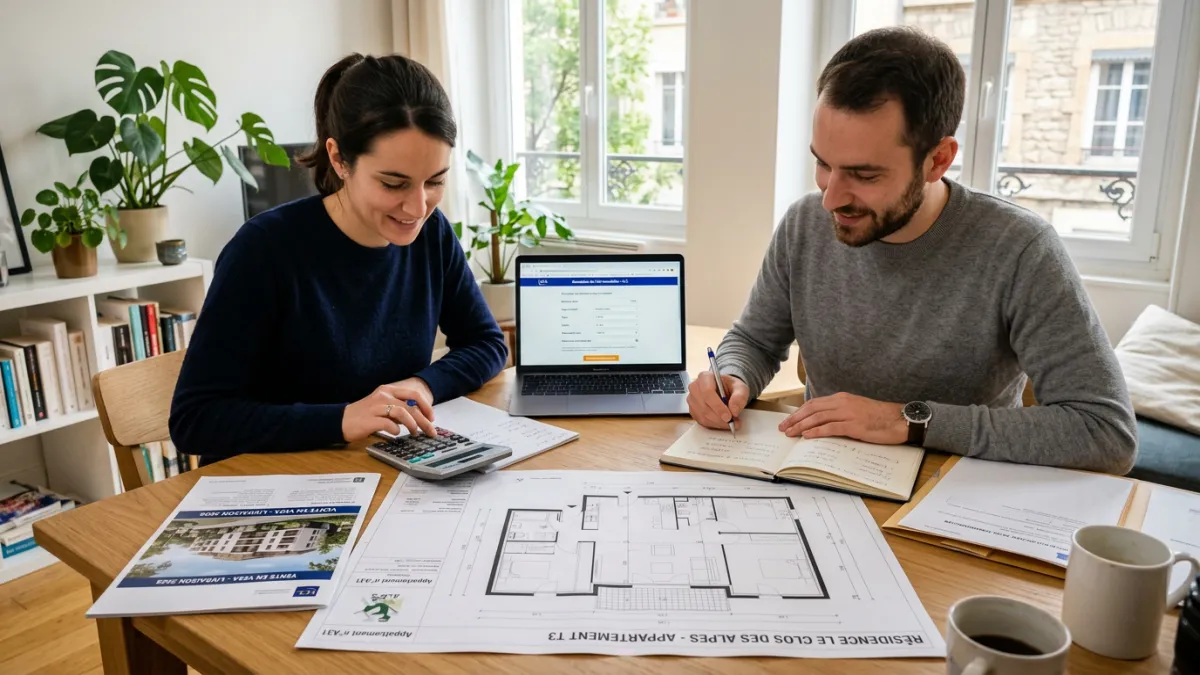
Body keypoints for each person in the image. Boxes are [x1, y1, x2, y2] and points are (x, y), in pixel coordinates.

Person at [688, 27, 1137, 474]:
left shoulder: (1020, 249)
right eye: (823, 163)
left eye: (864, 175)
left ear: (938, 159)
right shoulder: (805, 223)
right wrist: (732, 376)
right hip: (818, 479)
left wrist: (909, 420)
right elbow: (754, 340)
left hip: (954, 502)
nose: (830, 198)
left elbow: (1106, 433)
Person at [170, 53, 508, 463]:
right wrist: (342, 419)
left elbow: (487, 343)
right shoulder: (263, 249)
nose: (419, 207)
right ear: (338, 159)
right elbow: (195, 420)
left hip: (378, 471)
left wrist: (424, 384)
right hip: (274, 483)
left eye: (435, 181)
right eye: (393, 183)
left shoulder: (432, 235)